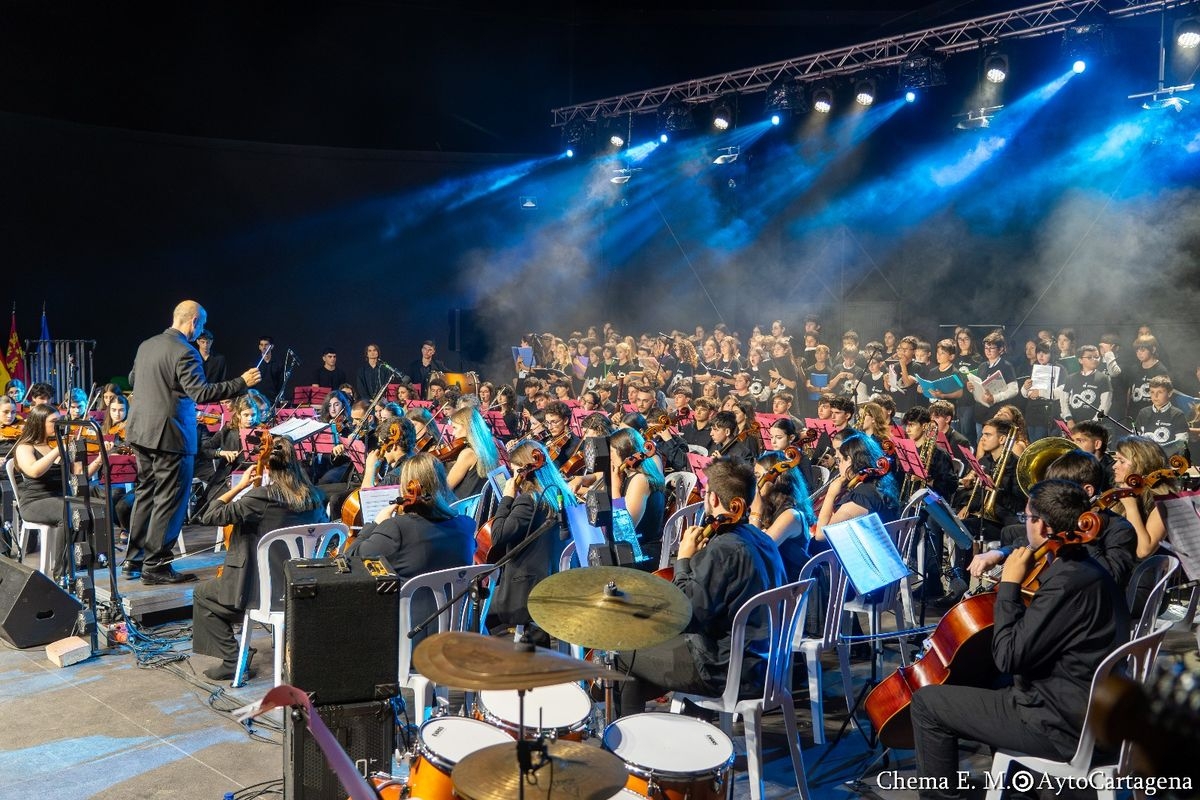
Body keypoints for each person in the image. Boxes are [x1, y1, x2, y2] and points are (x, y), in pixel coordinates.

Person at [910, 479, 1129, 800]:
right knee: (990, 682)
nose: (1025, 525)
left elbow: (1008, 656)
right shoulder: (1088, 569)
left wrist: (1010, 585)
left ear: (1042, 525)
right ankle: (1018, 791)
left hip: (1062, 727)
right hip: (1091, 710)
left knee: (927, 703)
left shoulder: (1064, 583)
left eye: (1027, 518)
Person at [613, 459, 786, 716]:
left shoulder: (723, 550)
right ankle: (681, 723)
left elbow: (684, 616)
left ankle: (627, 735)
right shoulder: (762, 538)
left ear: (713, 498)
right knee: (653, 653)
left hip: (727, 672)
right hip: (767, 665)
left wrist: (684, 559)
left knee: (621, 654)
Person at [125, 300, 259, 584]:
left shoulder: (147, 345)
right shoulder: (186, 351)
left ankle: (133, 560)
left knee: (146, 494)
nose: (201, 330)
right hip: (170, 436)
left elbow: (133, 379)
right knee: (170, 499)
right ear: (194, 321)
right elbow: (201, 393)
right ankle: (156, 566)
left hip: (140, 433)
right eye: (202, 324)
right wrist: (241, 382)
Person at [192, 438, 326, 681]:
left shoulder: (261, 498)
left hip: (262, 592)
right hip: (303, 588)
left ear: (269, 466)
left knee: (202, 594)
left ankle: (234, 659)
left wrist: (240, 486)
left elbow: (210, 515)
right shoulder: (314, 497)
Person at [345, 452, 474, 644]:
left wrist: (374, 524)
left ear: (406, 487)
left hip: (411, 639)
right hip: (459, 635)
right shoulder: (466, 525)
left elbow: (350, 559)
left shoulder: (396, 530)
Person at [485, 440, 573, 641]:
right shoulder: (561, 494)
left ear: (524, 471)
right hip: (555, 583)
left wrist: (507, 498)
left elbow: (497, 536)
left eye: (514, 471)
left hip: (525, 593)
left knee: (471, 608)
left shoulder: (528, 500)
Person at [11, 404, 106, 579]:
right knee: (71, 512)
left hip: (60, 497)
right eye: (54, 421)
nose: (59, 425)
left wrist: (100, 459)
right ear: (39, 422)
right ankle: (62, 573)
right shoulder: (25, 447)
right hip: (34, 502)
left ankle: (87, 561)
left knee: (97, 505)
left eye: (59, 420)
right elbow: (34, 471)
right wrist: (58, 449)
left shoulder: (56, 444)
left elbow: (79, 477)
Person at [751, 450, 814, 579]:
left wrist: (755, 513)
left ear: (776, 478)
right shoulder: (769, 506)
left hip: (789, 586)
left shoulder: (791, 516)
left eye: (757, 476)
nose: (755, 484)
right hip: (772, 578)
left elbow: (756, 552)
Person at [444, 405, 501, 499]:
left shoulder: (468, 454)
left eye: (455, 428)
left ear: (467, 427)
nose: (453, 433)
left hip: (461, 505)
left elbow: (446, 488)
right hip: (479, 504)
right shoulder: (488, 449)